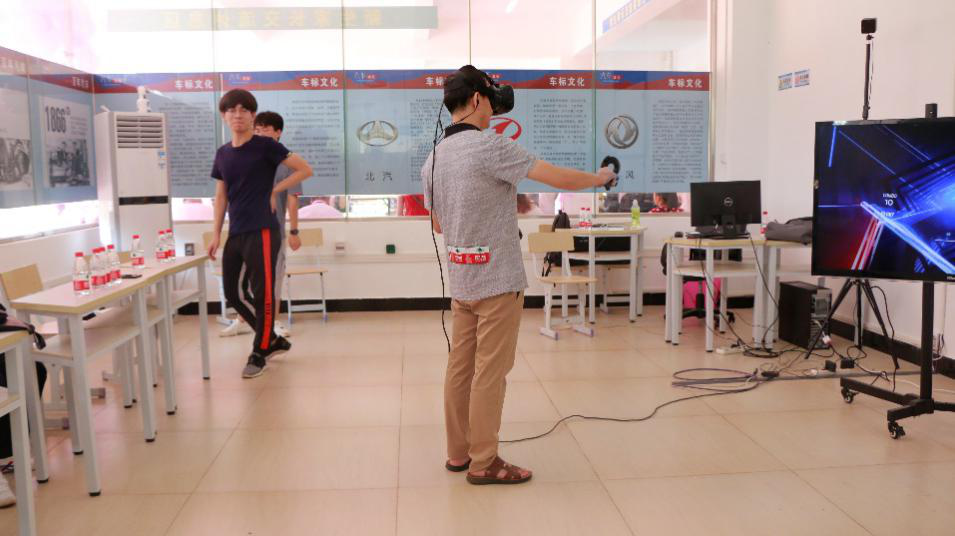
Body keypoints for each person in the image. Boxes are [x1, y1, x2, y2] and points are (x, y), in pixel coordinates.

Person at [423, 65, 616, 485]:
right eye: (490, 98)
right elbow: (557, 177)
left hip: (462, 281)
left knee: (460, 368)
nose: (494, 106)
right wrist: (600, 178)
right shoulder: (489, 145)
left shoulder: (433, 158)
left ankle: (459, 453)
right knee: (490, 373)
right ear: (477, 99)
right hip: (498, 281)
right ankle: (484, 462)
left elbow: (438, 224)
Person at [206, 89, 312, 379]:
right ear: (224, 115)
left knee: (264, 293)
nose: (238, 115)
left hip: (264, 230)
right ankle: (271, 339)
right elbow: (221, 196)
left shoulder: (265, 146)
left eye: (244, 110)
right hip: (236, 232)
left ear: (252, 115)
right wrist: (215, 234)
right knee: (233, 293)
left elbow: (304, 169)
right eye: (231, 110)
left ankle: (259, 351)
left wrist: (275, 189)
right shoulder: (223, 153)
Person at [219, 111, 303, 339]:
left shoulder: (286, 162)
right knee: (243, 282)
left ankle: (273, 322)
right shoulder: (246, 157)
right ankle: (243, 320)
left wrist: (294, 231)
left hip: (272, 231)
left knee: (272, 279)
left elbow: (293, 199)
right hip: (244, 231)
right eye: (257, 129)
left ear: (278, 132)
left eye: (266, 129)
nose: (260, 133)